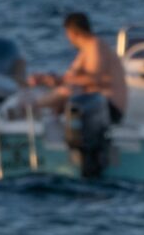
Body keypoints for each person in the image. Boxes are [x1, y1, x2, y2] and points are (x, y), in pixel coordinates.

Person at [32, 12, 128, 179]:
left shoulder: (96, 46)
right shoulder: (87, 50)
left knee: (67, 92)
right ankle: (38, 116)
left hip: (110, 109)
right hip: (96, 107)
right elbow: (71, 77)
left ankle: (31, 108)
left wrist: (62, 81)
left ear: (72, 32)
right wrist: (47, 79)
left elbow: (93, 79)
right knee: (64, 95)